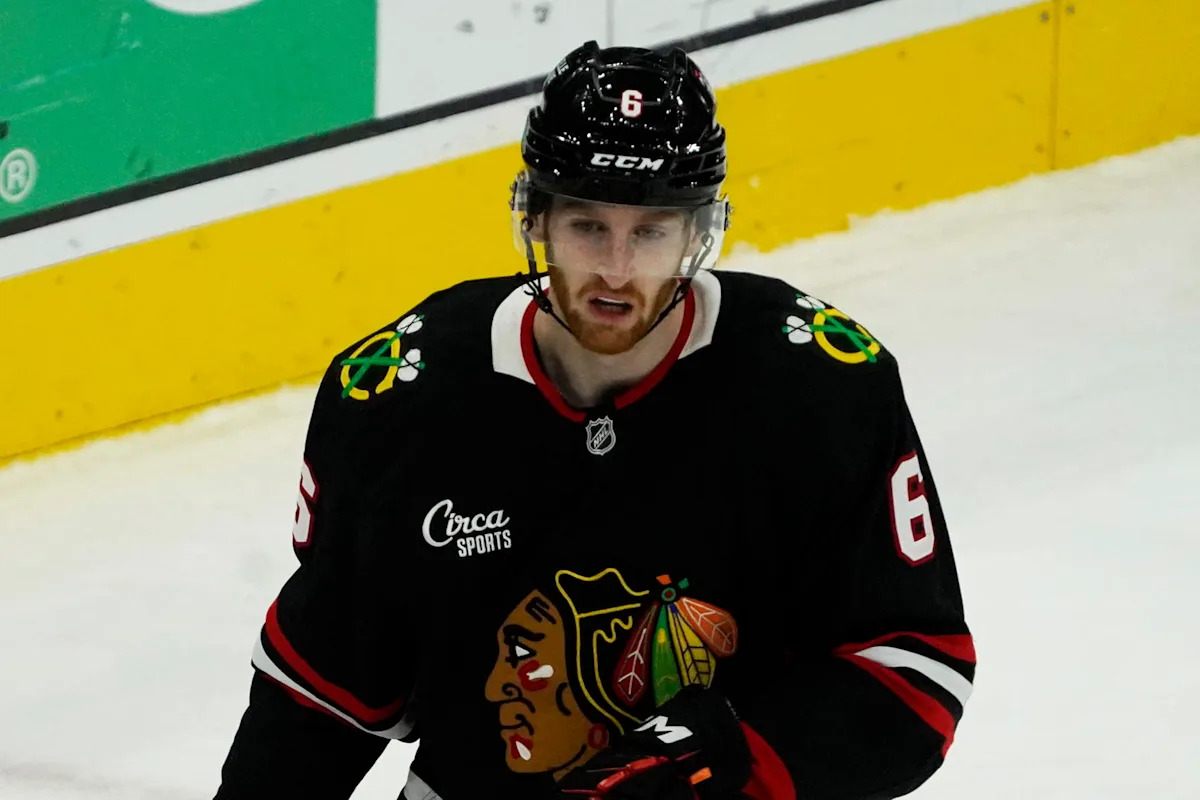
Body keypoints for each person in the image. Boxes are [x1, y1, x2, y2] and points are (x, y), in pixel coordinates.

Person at [214, 40, 975, 800]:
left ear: (697, 234)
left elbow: (913, 672)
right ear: (537, 219)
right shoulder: (398, 397)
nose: (616, 269)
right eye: (588, 226)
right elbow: (325, 691)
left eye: (650, 232)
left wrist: (727, 758)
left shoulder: (819, 389)